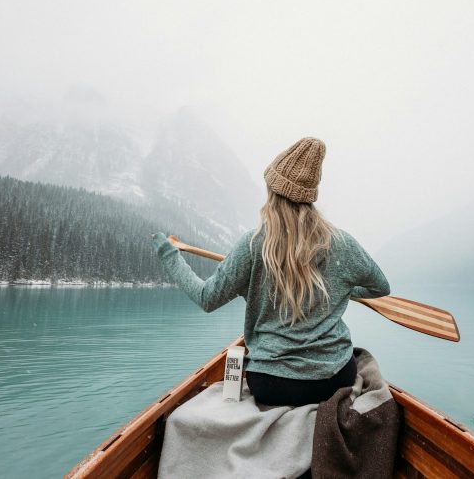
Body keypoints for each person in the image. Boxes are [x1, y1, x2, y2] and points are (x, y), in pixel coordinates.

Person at [151, 137, 390, 406]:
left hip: (271, 384)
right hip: (332, 380)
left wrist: (169, 255)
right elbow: (380, 287)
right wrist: (341, 288)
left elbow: (207, 298)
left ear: (273, 191)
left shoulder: (253, 245)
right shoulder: (342, 244)